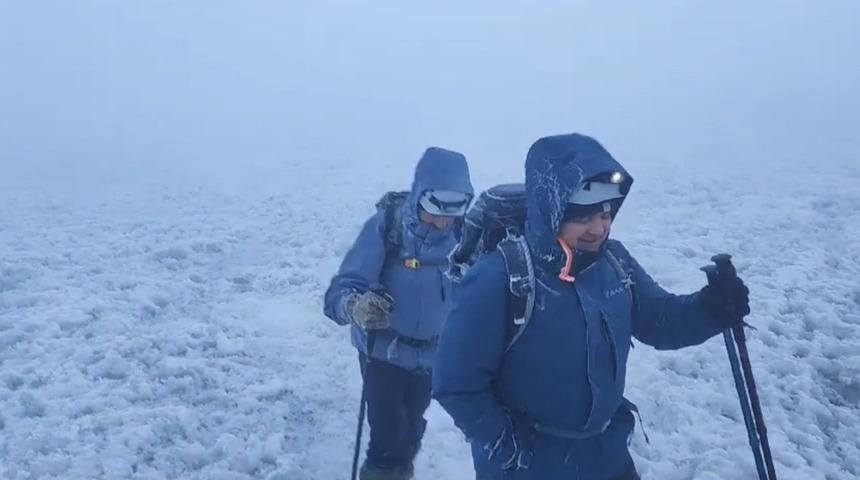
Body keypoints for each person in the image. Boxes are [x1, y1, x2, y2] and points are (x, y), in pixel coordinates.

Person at [432, 133, 750, 480]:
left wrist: (711, 307)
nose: (600, 227)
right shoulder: (500, 278)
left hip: (607, 458)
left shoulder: (615, 264)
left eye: (606, 212)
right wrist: (508, 446)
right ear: (552, 207)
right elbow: (456, 382)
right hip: (530, 467)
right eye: (583, 216)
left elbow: (660, 320)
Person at [324, 147, 474, 480]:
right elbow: (341, 290)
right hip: (382, 353)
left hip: (431, 356)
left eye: (453, 210)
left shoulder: (465, 238)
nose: (441, 222)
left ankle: (399, 471)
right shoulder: (387, 228)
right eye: (434, 208)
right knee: (388, 435)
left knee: (411, 428)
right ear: (420, 195)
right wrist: (355, 306)